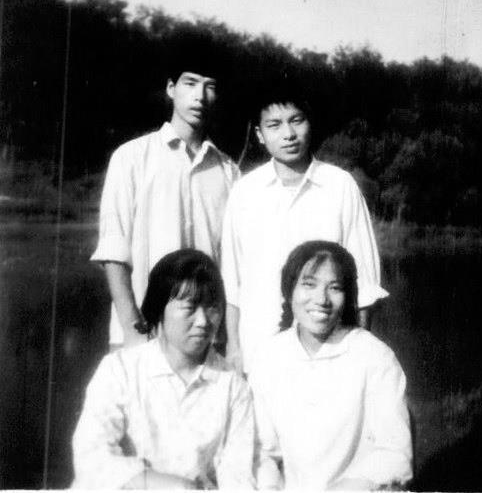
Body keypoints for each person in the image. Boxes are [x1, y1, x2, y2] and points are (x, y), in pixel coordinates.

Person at [221, 84, 387, 372]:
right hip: (258, 352)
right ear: (259, 134)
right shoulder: (244, 192)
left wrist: (358, 354)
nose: (288, 134)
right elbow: (232, 282)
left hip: (329, 353)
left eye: (296, 121)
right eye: (274, 125)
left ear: (310, 123)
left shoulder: (340, 186)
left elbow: (365, 284)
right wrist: (234, 348)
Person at [72, 249, 255, 489]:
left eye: (212, 307)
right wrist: (175, 486)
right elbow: (92, 458)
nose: (203, 321)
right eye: (190, 307)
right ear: (159, 308)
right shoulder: (120, 371)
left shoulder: (233, 387)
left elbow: (238, 476)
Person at [91, 61, 238, 349]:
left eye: (209, 87)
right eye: (190, 83)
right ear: (171, 88)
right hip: (143, 333)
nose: (200, 96)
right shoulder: (131, 157)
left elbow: (233, 264)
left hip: (204, 336)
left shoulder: (229, 170)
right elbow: (113, 249)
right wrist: (133, 329)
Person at [250, 240, 412, 490]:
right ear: (289, 290)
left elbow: (395, 455)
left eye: (334, 288)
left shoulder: (374, 357)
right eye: (309, 284)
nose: (321, 299)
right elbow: (262, 452)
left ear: (348, 297)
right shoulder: (269, 357)